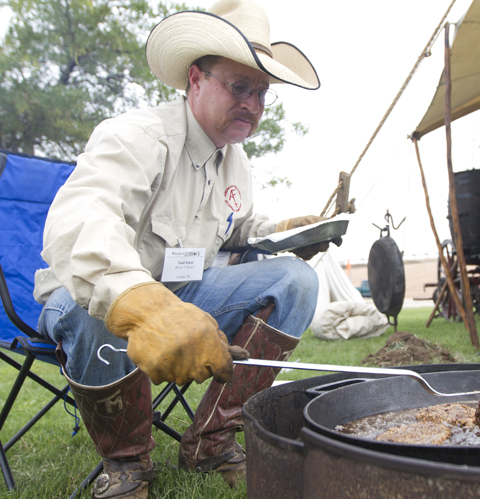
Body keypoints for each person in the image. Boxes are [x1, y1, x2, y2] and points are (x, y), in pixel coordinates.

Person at [32, 1, 336, 497]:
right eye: (240, 88)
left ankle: (211, 442)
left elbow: (233, 229)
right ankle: (127, 463)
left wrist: (284, 230)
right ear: (195, 78)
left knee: (296, 279)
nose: (254, 106)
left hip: (185, 292)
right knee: (97, 303)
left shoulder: (235, 162)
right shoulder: (136, 136)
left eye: (262, 94)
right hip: (93, 294)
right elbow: (82, 218)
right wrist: (142, 307)